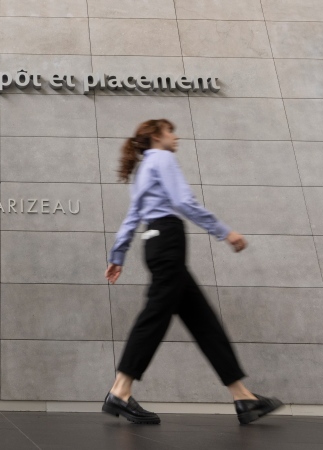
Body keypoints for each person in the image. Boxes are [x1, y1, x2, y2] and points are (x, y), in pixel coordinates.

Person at [101, 119, 282, 425]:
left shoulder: (143, 168)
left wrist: (118, 254)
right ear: (157, 136)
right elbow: (184, 201)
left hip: (155, 243)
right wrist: (224, 231)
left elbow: (133, 216)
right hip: (169, 242)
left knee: (203, 321)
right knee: (155, 315)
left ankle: (243, 397)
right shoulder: (163, 158)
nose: (176, 136)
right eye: (171, 131)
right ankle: (119, 390)